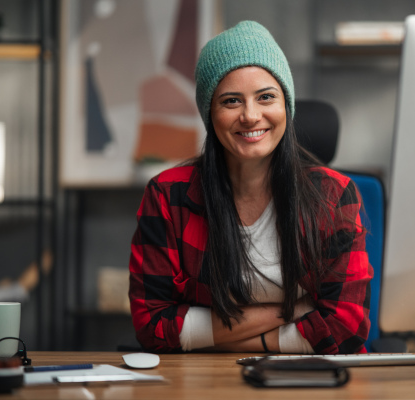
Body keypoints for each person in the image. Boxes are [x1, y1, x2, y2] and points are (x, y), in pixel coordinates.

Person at [128, 21, 372, 354]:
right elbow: (153, 326)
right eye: (231, 101)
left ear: (285, 105)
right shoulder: (167, 197)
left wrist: (239, 339)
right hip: (203, 380)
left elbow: (346, 327)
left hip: (315, 379)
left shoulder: (334, 195)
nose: (251, 115)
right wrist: (296, 312)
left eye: (266, 97)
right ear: (210, 114)